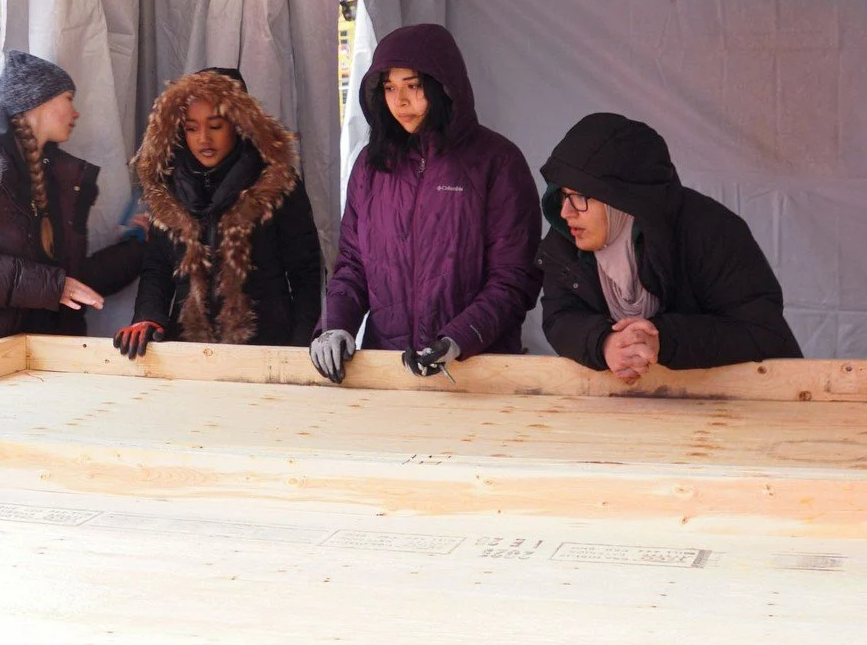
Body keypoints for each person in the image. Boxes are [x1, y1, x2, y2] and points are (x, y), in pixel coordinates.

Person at [311, 23, 540, 384]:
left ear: (444, 85)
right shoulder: (372, 165)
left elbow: (513, 278)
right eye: (389, 87)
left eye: (413, 86)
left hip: (478, 373)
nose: (399, 102)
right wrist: (335, 326)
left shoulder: (497, 162)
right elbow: (353, 266)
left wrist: (459, 339)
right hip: (388, 372)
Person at [539, 112, 801, 378]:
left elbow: (761, 331)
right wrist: (605, 343)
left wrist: (661, 339)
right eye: (563, 196)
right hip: (634, 408)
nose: (565, 213)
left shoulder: (709, 230)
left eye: (582, 196)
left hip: (745, 401)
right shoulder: (568, 239)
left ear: (623, 200)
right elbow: (559, 317)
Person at [0, 50, 143, 356]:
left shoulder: (56, 177)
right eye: (68, 98)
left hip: (36, 358)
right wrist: (52, 285)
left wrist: (142, 246)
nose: (75, 113)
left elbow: (69, 282)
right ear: (39, 102)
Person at [114, 67, 321, 355]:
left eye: (215, 126)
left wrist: (301, 345)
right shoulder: (166, 186)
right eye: (191, 127)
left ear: (238, 123)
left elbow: (306, 272)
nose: (203, 139)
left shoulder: (276, 181)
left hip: (267, 348)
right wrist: (148, 317)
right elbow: (158, 267)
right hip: (188, 350)